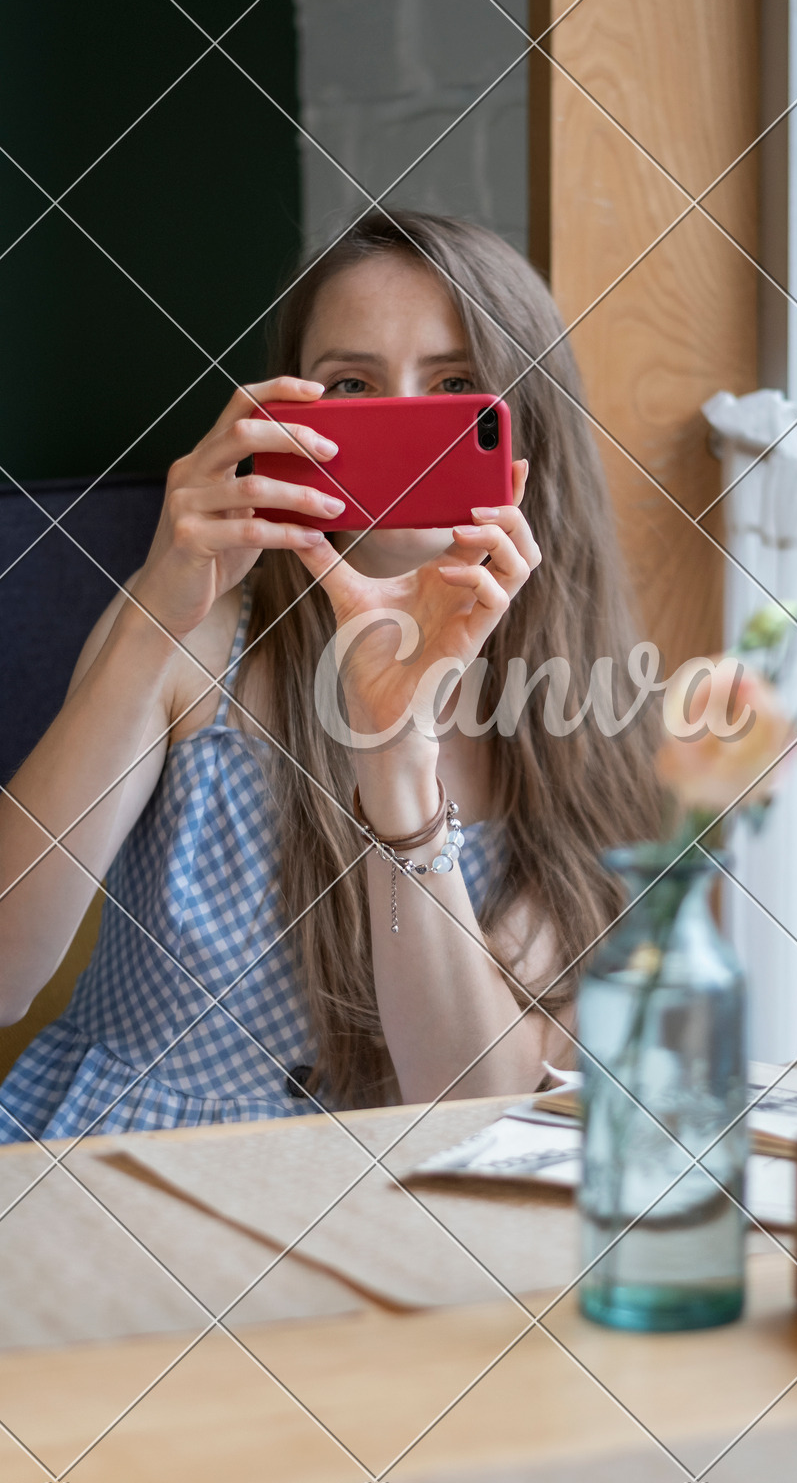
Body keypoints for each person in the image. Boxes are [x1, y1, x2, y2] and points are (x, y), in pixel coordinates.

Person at [0, 209, 661, 1141]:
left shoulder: (573, 711)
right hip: (119, 1173)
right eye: (351, 384)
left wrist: (396, 755)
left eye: (454, 384)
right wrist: (155, 609)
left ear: (525, 427)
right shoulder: (191, 638)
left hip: (375, 1204)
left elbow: (477, 1112)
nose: (398, 419)